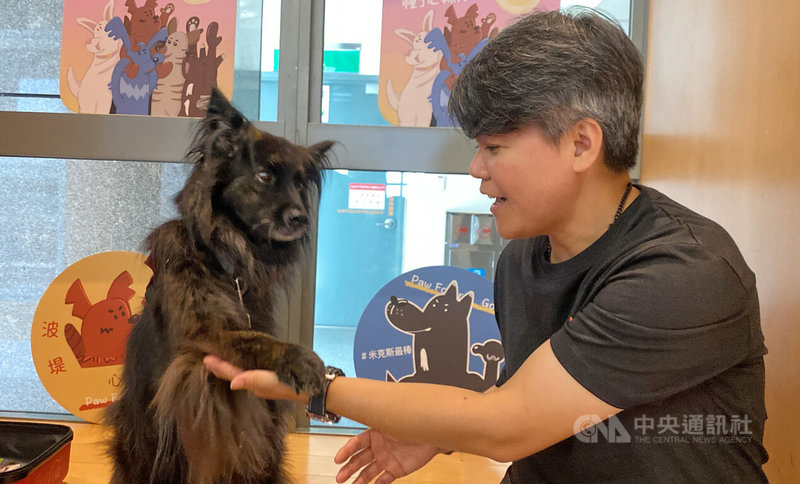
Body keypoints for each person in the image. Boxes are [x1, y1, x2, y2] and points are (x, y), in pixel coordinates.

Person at [204, 8, 768, 483]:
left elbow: (510, 423)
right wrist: (440, 435)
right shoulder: (522, 257)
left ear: (581, 143)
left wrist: (320, 385)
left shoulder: (684, 272)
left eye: (494, 147)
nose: (477, 170)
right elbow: (535, 392)